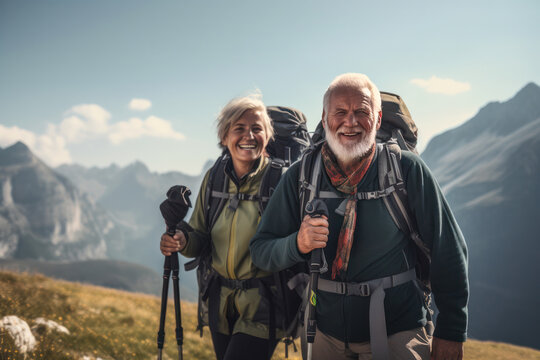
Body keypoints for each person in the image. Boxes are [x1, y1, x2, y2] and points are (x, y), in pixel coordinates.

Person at [250, 73, 469, 360]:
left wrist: (451, 330)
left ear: (377, 119)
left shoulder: (406, 170)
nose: (350, 122)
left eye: (361, 112)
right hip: (322, 334)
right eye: (340, 112)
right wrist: (298, 244)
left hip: (398, 333)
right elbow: (261, 250)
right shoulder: (301, 176)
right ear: (325, 118)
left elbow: (448, 250)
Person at [160, 94, 280, 360]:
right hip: (219, 303)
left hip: (263, 305)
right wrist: (181, 240)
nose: (248, 135)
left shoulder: (279, 181)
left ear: (268, 135)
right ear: (225, 136)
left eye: (257, 128)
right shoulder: (214, 179)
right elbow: (199, 236)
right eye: (239, 128)